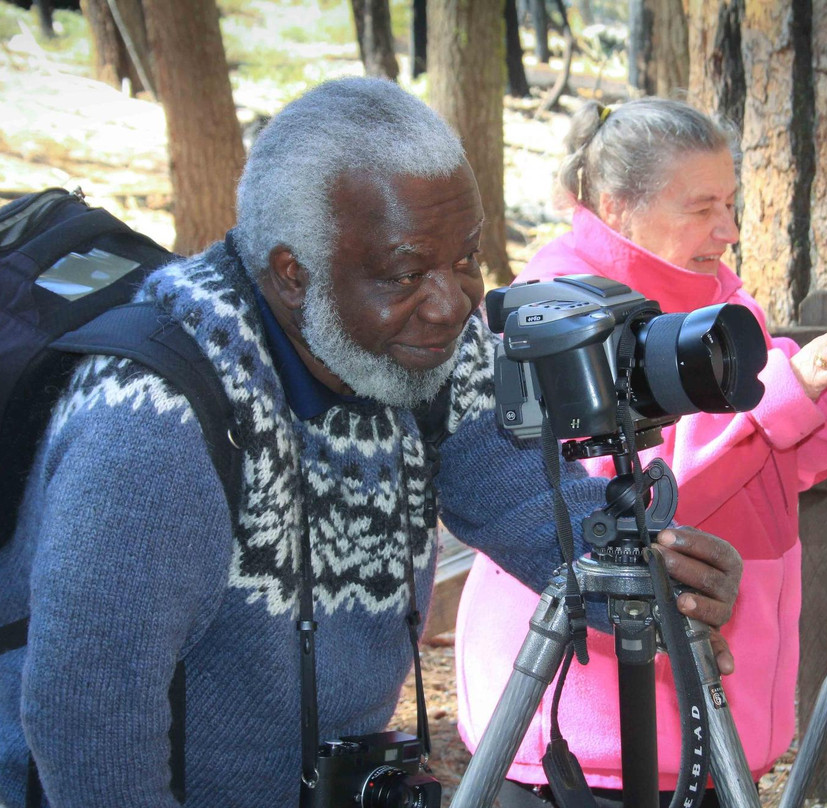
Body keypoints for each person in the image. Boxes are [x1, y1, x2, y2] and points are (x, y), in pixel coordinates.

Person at [0, 80, 744, 808]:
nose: (452, 304)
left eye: (466, 259)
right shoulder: (157, 422)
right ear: (294, 275)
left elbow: (531, 506)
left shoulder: (427, 352)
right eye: (404, 272)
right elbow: (87, 721)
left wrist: (655, 567)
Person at [455, 98, 827, 807]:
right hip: (582, 740)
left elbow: (775, 471)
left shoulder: (722, 305)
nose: (728, 229)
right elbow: (613, 506)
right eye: (700, 208)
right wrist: (786, 393)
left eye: (730, 203)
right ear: (616, 205)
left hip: (709, 726)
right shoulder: (550, 308)